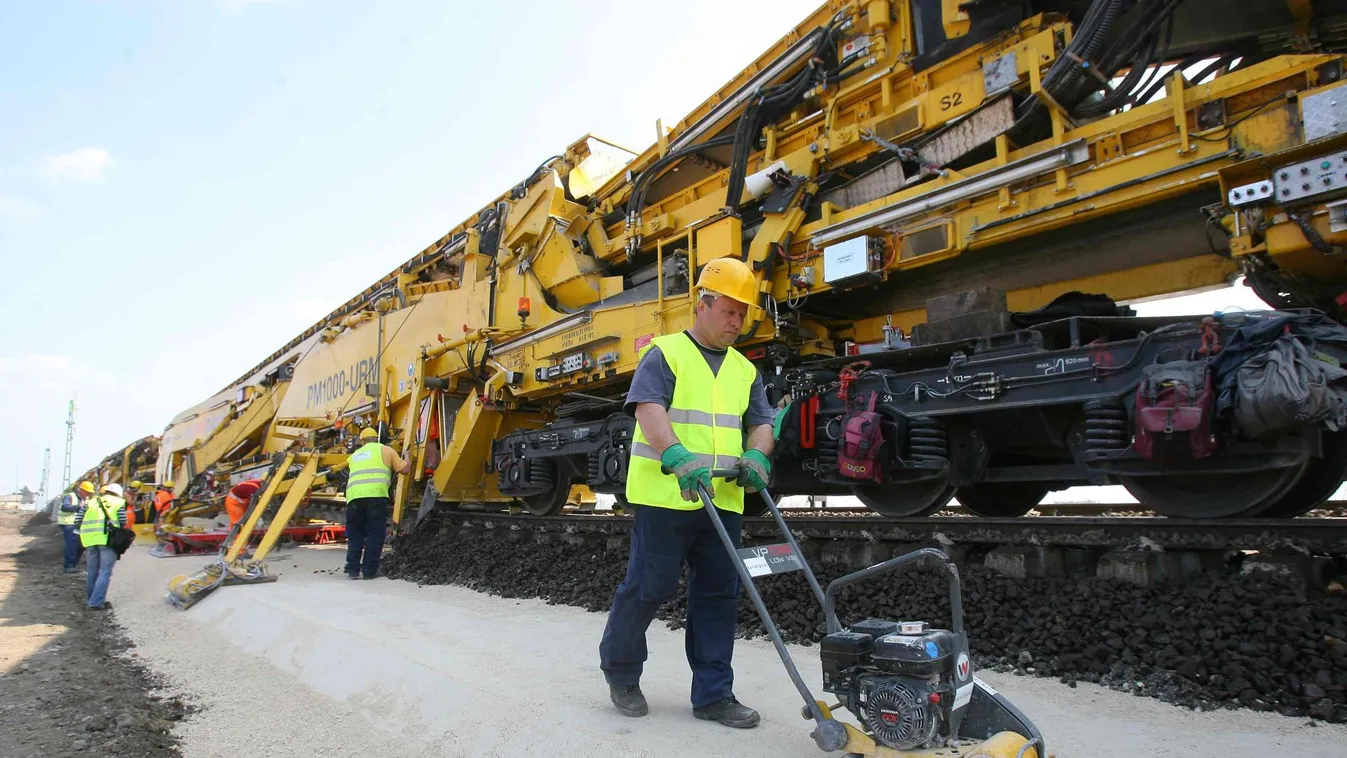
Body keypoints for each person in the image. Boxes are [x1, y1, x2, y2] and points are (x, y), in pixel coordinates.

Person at [598, 257, 776, 729]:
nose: (737, 321)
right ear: (703, 303)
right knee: (649, 586)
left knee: (719, 595)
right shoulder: (667, 352)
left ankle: (714, 696)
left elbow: (761, 422)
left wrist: (759, 455)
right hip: (666, 496)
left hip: (723, 498)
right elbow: (648, 407)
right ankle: (621, 673)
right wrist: (674, 453)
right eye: (730, 310)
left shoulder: (744, 369)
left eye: (744, 314)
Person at [344, 426, 410, 580]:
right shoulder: (386, 450)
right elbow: (405, 470)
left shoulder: (354, 456)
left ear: (361, 441)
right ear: (377, 439)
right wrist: (407, 456)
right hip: (375, 496)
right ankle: (369, 571)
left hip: (354, 498)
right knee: (374, 533)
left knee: (355, 534)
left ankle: (353, 570)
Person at [74, 482, 127, 610]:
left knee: (92, 571)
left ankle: (91, 599)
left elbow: (77, 521)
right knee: (105, 571)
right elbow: (123, 521)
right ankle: (96, 603)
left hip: (89, 541)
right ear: (119, 494)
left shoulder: (90, 502)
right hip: (108, 540)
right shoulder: (119, 503)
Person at [57, 481, 95, 573]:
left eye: (90, 493)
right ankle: (69, 566)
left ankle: (73, 564)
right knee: (71, 544)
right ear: (81, 490)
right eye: (87, 492)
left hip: (77, 525)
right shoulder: (70, 496)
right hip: (68, 524)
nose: (88, 494)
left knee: (80, 545)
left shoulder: (85, 499)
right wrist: (78, 507)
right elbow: (65, 507)